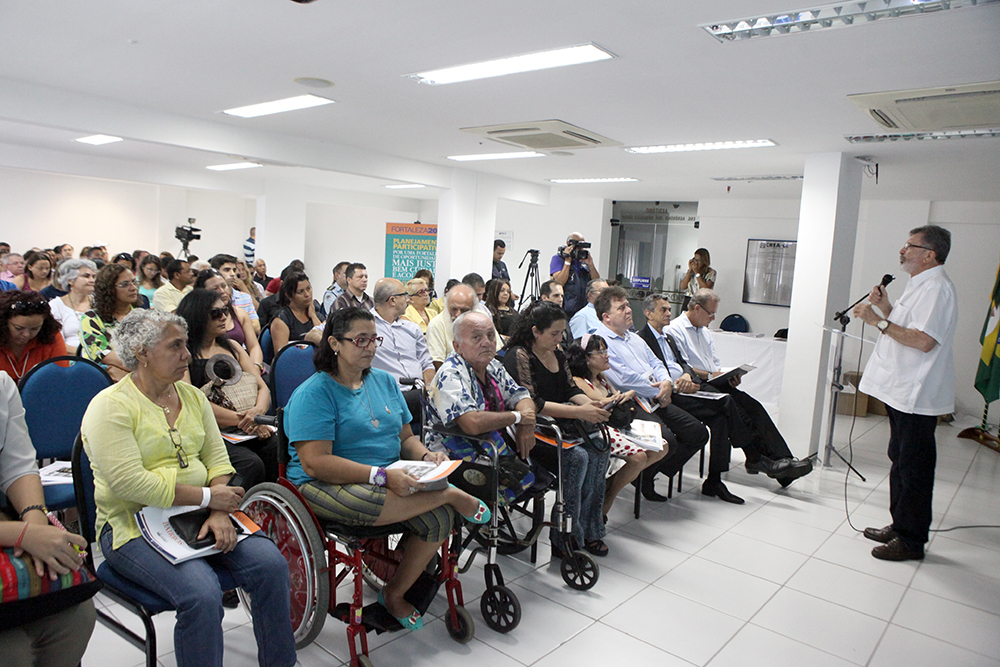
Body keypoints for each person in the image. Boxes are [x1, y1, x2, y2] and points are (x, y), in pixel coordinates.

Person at [80, 309, 296, 667]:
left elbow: (219, 461)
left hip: (200, 514)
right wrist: (211, 498)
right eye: (176, 346)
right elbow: (131, 484)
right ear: (141, 352)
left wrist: (218, 511)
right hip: (132, 524)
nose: (187, 355)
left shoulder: (192, 398)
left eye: (186, 345)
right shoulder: (109, 407)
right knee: (201, 593)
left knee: (271, 564)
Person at [284, 307, 490, 630]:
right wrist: (380, 476)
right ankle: (448, 493)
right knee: (377, 498)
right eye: (360, 340)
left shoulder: (384, 382)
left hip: (385, 474)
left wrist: (424, 457)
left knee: (440, 520)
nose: (370, 347)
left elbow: (406, 437)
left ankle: (394, 594)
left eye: (373, 339)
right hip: (321, 482)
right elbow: (315, 462)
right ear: (335, 344)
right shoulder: (315, 393)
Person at [853, 225, 958, 561]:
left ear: (930, 255)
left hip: (917, 393)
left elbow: (924, 340)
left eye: (910, 246)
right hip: (900, 389)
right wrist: (886, 309)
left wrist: (877, 321)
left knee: (913, 467)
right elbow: (908, 325)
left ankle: (911, 541)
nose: (902, 250)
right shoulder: (920, 284)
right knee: (899, 461)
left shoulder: (938, 289)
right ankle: (899, 525)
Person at [641, 293, 812, 488]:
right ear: (697, 308)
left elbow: (689, 364)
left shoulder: (700, 332)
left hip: (705, 380)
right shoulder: (674, 331)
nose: (713, 318)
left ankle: (782, 461)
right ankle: (756, 457)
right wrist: (700, 376)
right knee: (732, 409)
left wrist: (726, 375)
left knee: (752, 406)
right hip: (690, 386)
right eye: (710, 313)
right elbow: (675, 368)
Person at [593, 287, 731, 503]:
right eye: (622, 308)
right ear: (606, 317)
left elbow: (657, 363)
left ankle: (645, 475)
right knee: (667, 441)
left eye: (628, 305)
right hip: (632, 403)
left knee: (698, 433)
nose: (629, 310)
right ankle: (634, 478)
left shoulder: (634, 338)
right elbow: (624, 379)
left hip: (657, 397)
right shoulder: (600, 342)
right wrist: (661, 389)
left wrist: (666, 382)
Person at [0, 371, 96, 667]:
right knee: (12, 652)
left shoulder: (2, 383)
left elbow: (18, 465)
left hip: (11, 527)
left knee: (76, 615)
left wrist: (35, 521)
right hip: (8, 531)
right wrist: (21, 535)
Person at [502, 302, 611, 556]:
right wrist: (579, 412)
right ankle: (564, 535)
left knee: (601, 450)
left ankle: (589, 527)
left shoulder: (558, 353)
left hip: (559, 425)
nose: (560, 339)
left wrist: (591, 405)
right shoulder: (519, 355)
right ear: (535, 331)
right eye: (554, 334)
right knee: (578, 457)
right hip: (531, 429)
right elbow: (533, 403)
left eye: (562, 333)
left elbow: (571, 389)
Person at [424, 310, 537, 500]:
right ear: (457, 346)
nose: (486, 342)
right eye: (476, 337)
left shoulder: (492, 365)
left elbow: (521, 395)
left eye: (491, 335)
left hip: (490, 444)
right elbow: (472, 423)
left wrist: (527, 424)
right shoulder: (450, 374)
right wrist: (518, 417)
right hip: (452, 450)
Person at [177, 289, 277, 487]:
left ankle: (270, 506)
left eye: (225, 311)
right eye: (216, 313)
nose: (224, 317)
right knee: (250, 464)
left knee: (278, 450)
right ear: (197, 315)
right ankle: (233, 513)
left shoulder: (232, 346)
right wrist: (247, 422)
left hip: (247, 424)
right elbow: (192, 401)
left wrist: (257, 414)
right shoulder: (185, 354)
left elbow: (262, 387)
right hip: (211, 429)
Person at [568, 333, 668, 520]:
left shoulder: (602, 377)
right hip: (598, 429)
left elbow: (617, 397)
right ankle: (608, 500)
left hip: (617, 424)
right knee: (638, 459)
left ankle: (608, 487)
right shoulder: (579, 381)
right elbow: (605, 401)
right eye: (601, 352)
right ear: (586, 358)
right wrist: (625, 394)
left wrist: (624, 395)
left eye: (606, 350)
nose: (607, 355)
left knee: (662, 447)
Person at [365, 278, 434, 423]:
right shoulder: (364, 325)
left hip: (419, 391)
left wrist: (430, 387)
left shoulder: (412, 328)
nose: (408, 300)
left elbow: (426, 363)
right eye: (405, 295)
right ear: (393, 300)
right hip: (388, 393)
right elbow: (318, 332)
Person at [194, 270, 264, 373]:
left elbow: (254, 346)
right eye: (214, 289)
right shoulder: (199, 319)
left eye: (224, 286)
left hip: (245, 366)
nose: (222, 291)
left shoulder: (239, 313)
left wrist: (256, 367)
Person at [80, 263, 139, 381]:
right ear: (109, 289)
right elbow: (104, 356)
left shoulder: (142, 316)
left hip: (141, 374)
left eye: (134, 282)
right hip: (102, 379)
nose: (133, 288)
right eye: (125, 284)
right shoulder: (91, 318)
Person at [425, 284, 501, 369]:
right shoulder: (436, 324)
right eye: (454, 309)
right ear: (446, 306)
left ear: (474, 308)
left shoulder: (482, 318)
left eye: (464, 310)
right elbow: (437, 362)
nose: (458, 315)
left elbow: (496, 352)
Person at [0, 292, 67, 383]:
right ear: (4, 322)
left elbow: (61, 376)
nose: (26, 334)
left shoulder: (51, 335)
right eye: (19, 328)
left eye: (35, 328)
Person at [48, 259, 97, 355]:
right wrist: (85, 354)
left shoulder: (99, 303)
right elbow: (56, 343)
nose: (92, 280)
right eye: (86, 276)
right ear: (70, 280)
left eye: (93, 276)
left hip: (101, 358)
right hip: (70, 358)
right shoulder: (56, 306)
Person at [550, 233, 600, 317]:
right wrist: (567, 261)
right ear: (568, 243)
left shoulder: (582, 260)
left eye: (582, 246)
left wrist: (591, 265)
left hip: (582, 308)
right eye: (577, 246)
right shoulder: (558, 259)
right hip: (566, 309)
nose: (580, 249)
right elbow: (559, 283)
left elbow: (596, 282)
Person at [270, 271, 322, 351]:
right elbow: (281, 356)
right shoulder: (282, 319)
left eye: (308, 288)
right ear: (289, 296)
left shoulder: (317, 314)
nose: (307, 294)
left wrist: (313, 316)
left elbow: (324, 343)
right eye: (300, 292)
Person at [209, 254, 260, 334]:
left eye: (234, 270)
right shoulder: (209, 299)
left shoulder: (244, 297)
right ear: (216, 272)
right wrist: (245, 325)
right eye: (227, 270)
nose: (232, 274)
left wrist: (234, 329)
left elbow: (257, 327)